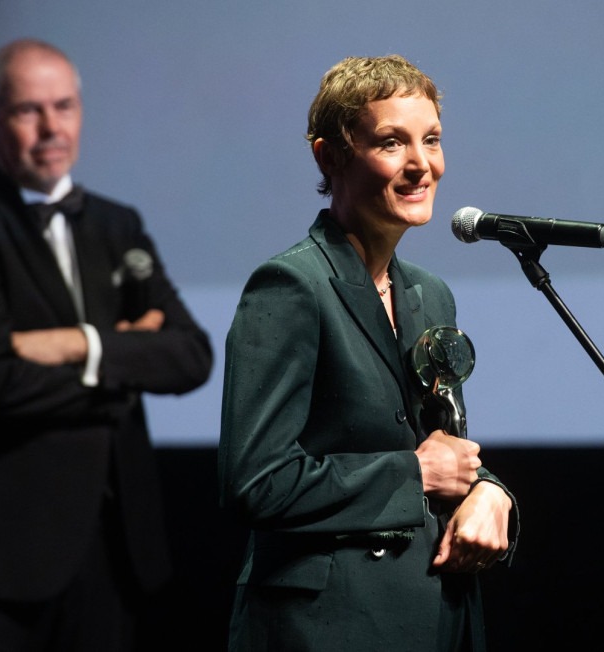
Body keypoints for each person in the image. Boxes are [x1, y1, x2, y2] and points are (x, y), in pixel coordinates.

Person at [0, 39, 213, 651]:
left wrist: (80, 346)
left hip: (117, 553)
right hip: (1, 560)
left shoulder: (117, 224)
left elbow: (190, 355)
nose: (52, 128)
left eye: (64, 106)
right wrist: (124, 359)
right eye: (29, 110)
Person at [218, 55, 519, 651]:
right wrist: (415, 474)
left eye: (431, 140)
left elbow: (439, 448)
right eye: (391, 142)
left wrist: (489, 490)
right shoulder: (291, 287)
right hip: (330, 625)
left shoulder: (430, 294)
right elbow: (256, 483)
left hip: (438, 616)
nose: (421, 164)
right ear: (329, 157)